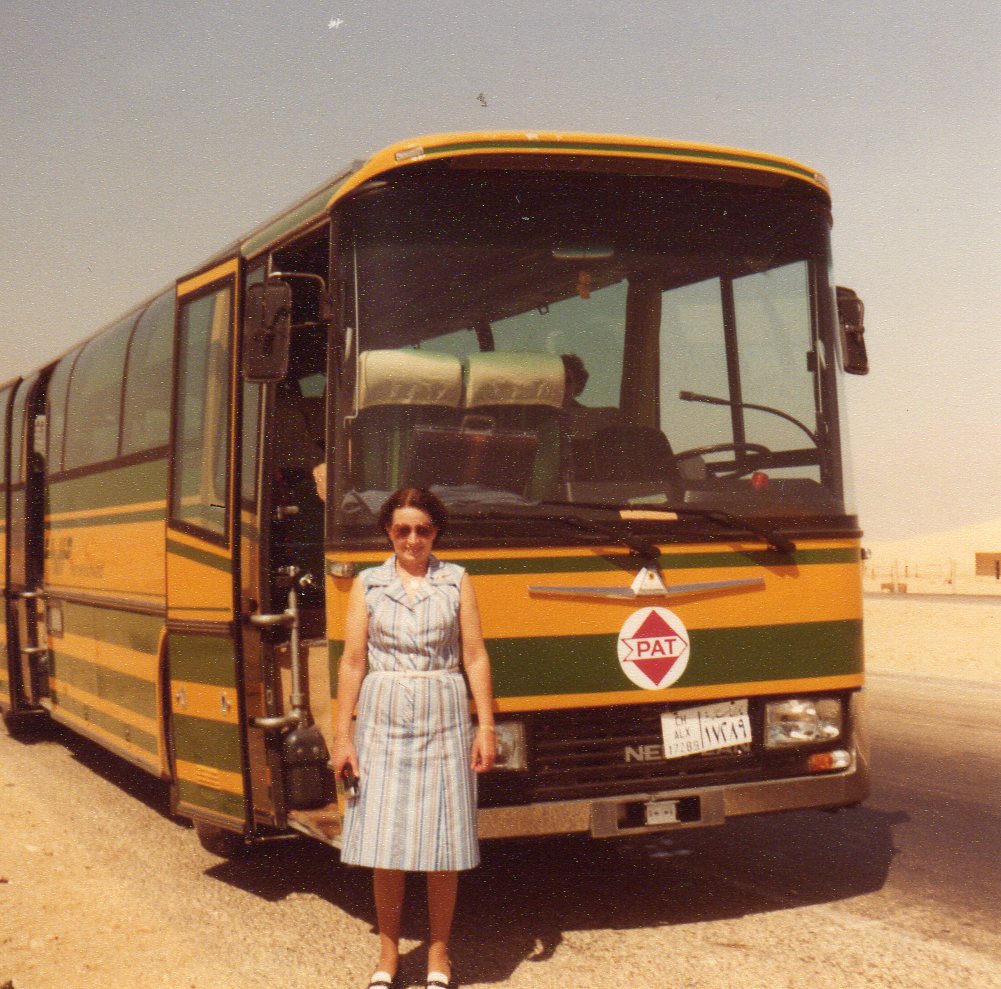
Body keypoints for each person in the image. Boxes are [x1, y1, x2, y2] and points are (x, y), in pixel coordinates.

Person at [332, 487, 497, 989]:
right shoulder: (369, 584)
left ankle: (439, 957)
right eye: (403, 529)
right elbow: (353, 661)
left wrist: (485, 726)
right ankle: (387, 957)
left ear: (436, 533)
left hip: (444, 716)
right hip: (383, 720)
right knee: (387, 843)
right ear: (389, 532)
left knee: (441, 843)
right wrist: (343, 736)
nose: (412, 540)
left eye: (422, 530)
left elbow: (474, 657)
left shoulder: (456, 581)